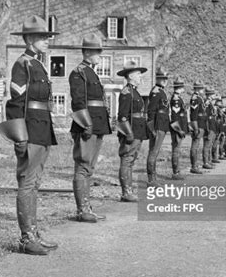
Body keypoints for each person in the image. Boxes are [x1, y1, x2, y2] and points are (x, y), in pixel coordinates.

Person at [0, 15, 58, 255]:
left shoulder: (38, 64)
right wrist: (20, 135)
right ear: (30, 39)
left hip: (42, 126)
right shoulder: (22, 64)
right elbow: (15, 102)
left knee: (35, 183)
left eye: (47, 37)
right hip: (30, 128)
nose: (47, 41)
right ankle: (26, 238)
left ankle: (33, 232)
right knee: (27, 182)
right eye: (43, 37)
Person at [69, 33, 110, 223]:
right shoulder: (79, 72)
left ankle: (87, 207)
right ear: (86, 52)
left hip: (97, 124)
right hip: (88, 124)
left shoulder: (91, 72)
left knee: (89, 168)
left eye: (99, 51)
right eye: (96, 51)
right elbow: (78, 101)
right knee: (83, 166)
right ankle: (82, 209)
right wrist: (86, 124)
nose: (99, 55)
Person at [116, 61, 148, 202]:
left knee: (131, 160)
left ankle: (129, 190)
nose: (141, 78)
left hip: (138, 129)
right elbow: (122, 115)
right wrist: (128, 133)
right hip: (132, 130)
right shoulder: (126, 92)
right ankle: (126, 192)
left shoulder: (134, 91)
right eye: (138, 75)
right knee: (127, 159)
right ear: (131, 76)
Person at [146, 68, 170, 186]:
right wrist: (152, 129)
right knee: (153, 152)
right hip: (157, 126)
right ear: (157, 79)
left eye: (165, 79)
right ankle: (151, 180)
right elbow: (150, 112)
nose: (164, 81)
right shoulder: (156, 91)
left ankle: (153, 178)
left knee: (155, 152)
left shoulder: (161, 91)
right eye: (162, 78)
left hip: (162, 125)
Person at [169, 78, 188, 180]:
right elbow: (175, 117)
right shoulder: (176, 99)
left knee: (177, 150)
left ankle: (177, 171)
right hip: (177, 128)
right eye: (182, 87)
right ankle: (175, 172)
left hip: (179, 127)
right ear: (179, 88)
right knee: (176, 150)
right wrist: (179, 130)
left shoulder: (178, 98)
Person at [189, 81, 207, 174]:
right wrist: (195, 127)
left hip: (201, 124)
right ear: (196, 89)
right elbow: (193, 114)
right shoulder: (195, 98)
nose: (202, 90)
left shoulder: (199, 98)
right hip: (198, 125)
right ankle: (194, 166)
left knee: (197, 146)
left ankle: (195, 165)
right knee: (195, 146)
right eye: (200, 88)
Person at [202, 88, 216, 170]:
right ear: (209, 95)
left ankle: (209, 161)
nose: (214, 96)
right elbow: (205, 117)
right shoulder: (206, 104)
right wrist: (207, 130)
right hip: (208, 127)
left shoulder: (210, 104)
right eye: (213, 94)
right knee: (206, 146)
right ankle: (206, 162)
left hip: (212, 127)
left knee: (209, 145)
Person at [211, 98, 223, 163]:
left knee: (216, 144)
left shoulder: (219, 109)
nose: (220, 104)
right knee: (213, 144)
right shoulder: (215, 108)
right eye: (219, 102)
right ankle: (213, 158)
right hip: (214, 127)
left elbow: (221, 119)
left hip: (218, 128)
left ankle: (215, 157)